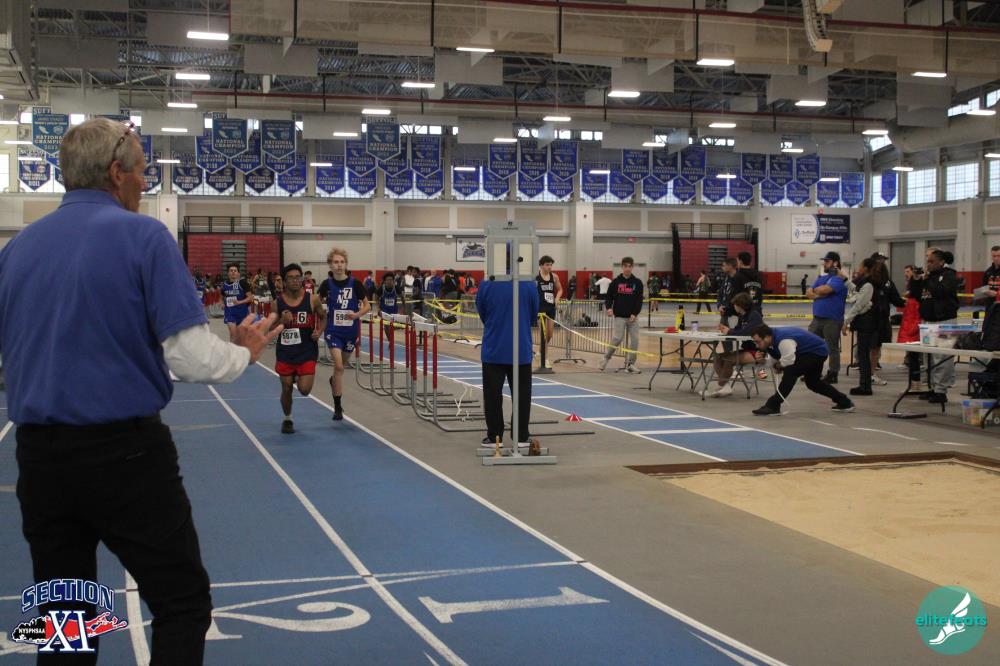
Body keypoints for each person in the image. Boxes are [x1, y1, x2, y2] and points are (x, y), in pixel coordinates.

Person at [0, 117, 282, 665]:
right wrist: (243, 354)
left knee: (64, 620)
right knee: (181, 603)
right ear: (116, 172)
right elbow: (190, 357)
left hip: (39, 459)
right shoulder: (145, 237)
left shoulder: (17, 249)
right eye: (142, 173)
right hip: (124, 457)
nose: (144, 183)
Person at [476, 275, 539, 447]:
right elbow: (533, 314)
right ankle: (521, 436)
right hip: (520, 348)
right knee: (522, 396)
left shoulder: (487, 283)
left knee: (492, 395)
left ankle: (494, 437)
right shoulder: (528, 284)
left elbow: (482, 312)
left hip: (494, 347)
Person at [750, 325, 855, 416]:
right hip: (812, 351)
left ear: (767, 337)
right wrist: (764, 361)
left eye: (758, 342)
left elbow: (788, 361)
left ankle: (773, 405)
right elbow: (777, 358)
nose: (757, 345)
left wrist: (778, 366)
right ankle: (844, 402)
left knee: (791, 372)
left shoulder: (784, 340)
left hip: (816, 352)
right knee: (813, 383)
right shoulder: (772, 340)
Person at [318, 247, 370, 420]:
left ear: (346, 264)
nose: (339, 265)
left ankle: (334, 381)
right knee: (339, 366)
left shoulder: (355, 284)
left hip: (350, 331)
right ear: (330, 265)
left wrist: (356, 314)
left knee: (341, 368)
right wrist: (321, 315)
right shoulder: (326, 284)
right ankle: (338, 407)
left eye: (342, 262)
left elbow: (367, 306)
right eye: (336, 262)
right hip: (333, 330)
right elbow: (317, 303)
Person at [274, 263, 324, 434]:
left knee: (304, 390)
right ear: (284, 281)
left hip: (306, 351)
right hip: (285, 352)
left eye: (298, 277)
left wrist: (319, 331)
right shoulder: (277, 303)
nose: (295, 281)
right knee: (286, 388)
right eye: (291, 278)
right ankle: (287, 418)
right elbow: (269, 328)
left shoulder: (312, 299)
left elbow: (324, 317)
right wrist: (281, 321)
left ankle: (297, 375)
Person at [913, 249, 960, 403]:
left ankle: (941, 390)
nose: (929, 264)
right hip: (928, 321)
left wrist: (927, 280)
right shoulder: (928, 277)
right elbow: (917, 296)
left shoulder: (949, 276)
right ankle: (931, 387)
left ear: (941, 262)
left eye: (932, 261)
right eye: (928, 261)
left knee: (943, 357)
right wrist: (916, 280)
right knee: (928, 357)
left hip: (944, 321)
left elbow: (941, 292)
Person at [708, 292, 763, 398]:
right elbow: (738, 330)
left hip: (757, 351)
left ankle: (721, 386)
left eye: (735, 304)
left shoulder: (754, 316)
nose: (733, 306)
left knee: (729, 359)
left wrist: (729, 332)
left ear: (740, 305)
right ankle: (725, 386)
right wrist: (726, 329)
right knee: (717, 357)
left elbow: (746, 332)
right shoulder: (742, 316)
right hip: (747, 349)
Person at [842, 258, 883, 396]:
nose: (858, 268)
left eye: (860, 265)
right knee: (862, 355)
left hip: (867, 324)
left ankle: (865, 386)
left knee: (863, 355)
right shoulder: (866, 282)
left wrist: (846, 321)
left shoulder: (869, 284)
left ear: (865, 268)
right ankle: (864, 384)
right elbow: (857, 291)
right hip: (866, 324)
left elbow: (859, 304)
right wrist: (845, 280)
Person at [806, 251, 848, 384]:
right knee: (811, 345)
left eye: (827, 261)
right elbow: (808, 292)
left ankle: (833, 373)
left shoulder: (839, 279)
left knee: (832, 348)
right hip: (817, 319)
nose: (824, 263)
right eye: (824, 261)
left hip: (832, 319)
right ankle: (813, 372)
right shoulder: (822, 278)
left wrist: (819, 291)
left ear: (835, 263)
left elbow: (825, 290)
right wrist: (819, 292)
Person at [600, 257, 644, 374]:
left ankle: (631, 364)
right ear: (622, 267)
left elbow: (639, 300)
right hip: (619, 316)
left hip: (632, 317)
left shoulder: (638, 283)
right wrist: (609, 308)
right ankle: (605, 358)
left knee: (635, 340)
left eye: (630, 266)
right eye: (625, 266)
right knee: (617, 338)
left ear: (632, 267)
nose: (627, 268)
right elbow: (609, 297)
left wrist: (635, 313)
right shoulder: (615, 282)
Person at [535, 256, 563, 369]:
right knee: (543, 333)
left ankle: (539, 352)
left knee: (549, 334)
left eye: (551, 265)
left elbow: (560, 289)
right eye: (547, 265)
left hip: (551, 308)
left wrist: (557, 299)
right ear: (541, 265)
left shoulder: (554, 277)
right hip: (540, 308)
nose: (549, 267)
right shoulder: (536, 277)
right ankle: (545, 359)